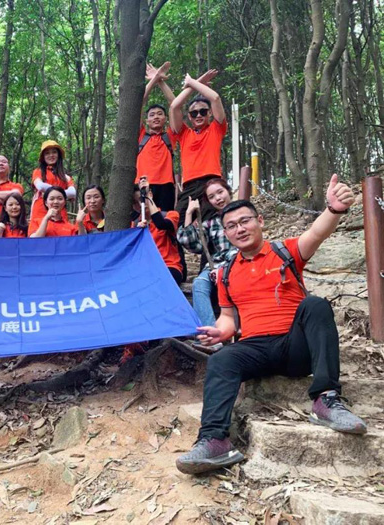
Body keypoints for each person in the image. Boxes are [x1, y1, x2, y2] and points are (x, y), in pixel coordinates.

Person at [176, 175, 368, 475]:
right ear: (225, 233)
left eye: (245, 221)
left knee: (315, 305)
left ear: (260, 221)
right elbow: (229, 319)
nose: (239, 229)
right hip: (254, 348)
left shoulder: (285, 252)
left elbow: (315, 234)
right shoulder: (225, 274)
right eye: (231, 226)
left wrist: (333, 210)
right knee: (223, 359)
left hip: (295, 346)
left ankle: (326, 399)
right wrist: (220, 332)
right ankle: (214, 440)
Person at [177, 178, 237, 328]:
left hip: (238, 263)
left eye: (220, 192)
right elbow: (190, 243)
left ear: (228, 191)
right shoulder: (211, 222)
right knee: (199, 283)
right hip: (216, 265)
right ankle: (208, 334)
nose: (218, 198)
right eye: (212, 197)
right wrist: (189, 213)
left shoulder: (242, 214)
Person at [169, 70, 226, 223]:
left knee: (213, 223)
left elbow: (215, 98)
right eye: (194, 113)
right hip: (189, 186)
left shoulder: (216, 128)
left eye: (203, 112)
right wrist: (195, 83)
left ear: (210, 114)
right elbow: (174, 106)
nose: (198, 115)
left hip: (211, 182)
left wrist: (192, 82)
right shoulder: (184, 133)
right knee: (177, 223)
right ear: (189, 117)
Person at [137, 62, 177, 212]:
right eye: (152, 115)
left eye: (160, 114)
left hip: (166, 186)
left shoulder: (169, 136)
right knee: (144, 223)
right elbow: (140, 102)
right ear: (147, 120)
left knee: (165, 222)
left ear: (165, 118)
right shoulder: (141, 135)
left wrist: (160, 80)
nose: (156, 117)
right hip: (143, 184)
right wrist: (154, 79)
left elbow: (174, 103)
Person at [134, 179, 183, 284]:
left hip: (169, 266)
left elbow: (161, 224)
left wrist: (147, 196)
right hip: (146, 269)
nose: (142, 203)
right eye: (138, 201)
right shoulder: (134, 225)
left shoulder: (171, 215)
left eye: (142, 199)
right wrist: (136, 233)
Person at [30, 141, 76, 222]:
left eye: (54, 152)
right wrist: (62, 193)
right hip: (41, 212)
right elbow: (40, 186)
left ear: (58, 155)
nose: (51, 155)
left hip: (60, 213)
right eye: (47, 153)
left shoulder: (66, 177)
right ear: (43, 157)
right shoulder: (38, 171)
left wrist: (49, 190)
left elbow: (72, 192)